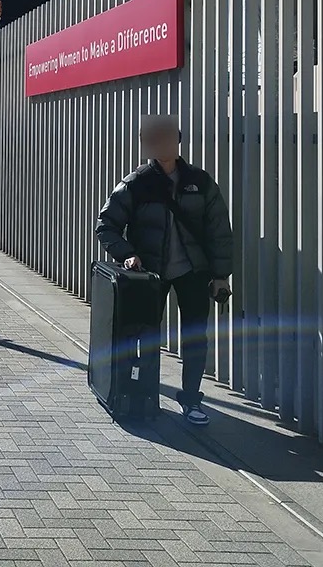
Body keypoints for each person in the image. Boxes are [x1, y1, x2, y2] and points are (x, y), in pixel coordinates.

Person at [96, 114, 234, 425]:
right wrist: (128, 254)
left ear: (178, 139)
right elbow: (106, 225)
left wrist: (220, 275)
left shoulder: (200, 182)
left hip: (193, 273)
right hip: (149, 276)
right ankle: (143, 395)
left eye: (166, 137)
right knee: (145, 336)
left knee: (195, 338)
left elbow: (219, 232)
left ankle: (191, 400)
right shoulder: (137, 182)